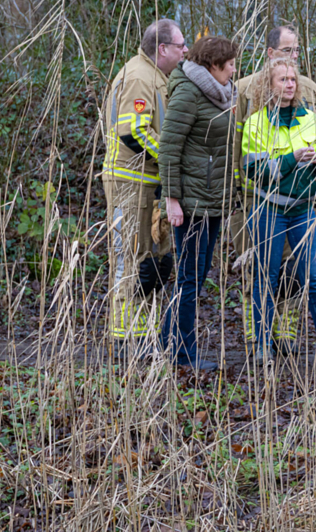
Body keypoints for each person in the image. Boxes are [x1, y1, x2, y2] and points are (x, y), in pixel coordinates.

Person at [231, 26, 316, 354]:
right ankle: (258, 339)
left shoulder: (310, 99)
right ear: (271, 54)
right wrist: (288, 161)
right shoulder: (245, 93)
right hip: (261, 203)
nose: (294, 59)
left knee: (305, 276)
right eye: (287, 51)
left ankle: (297, 338)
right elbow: (245, 156)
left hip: (302, 205)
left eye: (297, 51)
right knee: (261, 275)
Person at [101, 19, 187, 356]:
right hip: (129, 182)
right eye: (180, 46)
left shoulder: (156, 75)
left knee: (155, 262)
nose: (185, 51)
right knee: (130, 258)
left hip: (150, 183)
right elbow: (132, 132)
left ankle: (143, 333)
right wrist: (171, 160)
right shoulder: (139, 76)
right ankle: (125, 339)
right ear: (162, 48)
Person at [158, 36, 239, 371]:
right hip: (191, 201)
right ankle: (183, 354)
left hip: (214, 199)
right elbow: (169, 147)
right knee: (189, 279)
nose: (234, 69)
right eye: (230, 63)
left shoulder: (223, 93)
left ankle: (165, 341)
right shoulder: (189, 91)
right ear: (212, 65)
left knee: (198, 274)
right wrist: (172, 200)